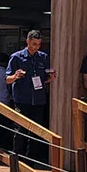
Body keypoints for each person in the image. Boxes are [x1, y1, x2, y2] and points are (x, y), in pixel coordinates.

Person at [6, 30, 55, 163]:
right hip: (22, 100)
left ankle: (30, 163)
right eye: (34, 44)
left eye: (38, 44)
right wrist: (15, 76)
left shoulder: (43, 57)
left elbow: (43, 78)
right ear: (27, 41)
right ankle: (16, 162)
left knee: (35, 132)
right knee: (20, 131)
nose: (36, 47)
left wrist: (50, 78)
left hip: (38, 100)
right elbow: (7, 79)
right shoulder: (16, 57)